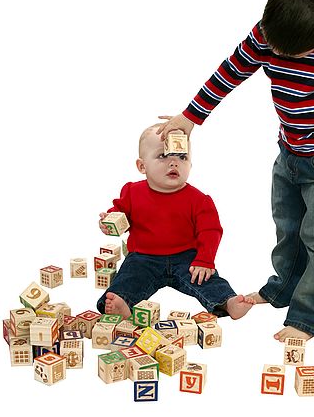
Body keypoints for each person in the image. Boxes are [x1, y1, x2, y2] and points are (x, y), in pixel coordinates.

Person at [157, 0, 314, 342]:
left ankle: (308, 317)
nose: (275, 52)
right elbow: (231, 71)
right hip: (288, 151)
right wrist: (191, 116)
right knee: (288, 228)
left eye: (287, 51)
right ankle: (283, 287)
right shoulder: (269, 32)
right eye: (273, 44)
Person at [96, 124, 255, 320]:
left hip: (187, 258)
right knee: (129, 277)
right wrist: (109, 221)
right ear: (142, 166)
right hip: (143, 258)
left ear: (190, 164)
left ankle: (228, 302)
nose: (174, 163)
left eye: (182, 157)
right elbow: (119, 215)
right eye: (163, 156)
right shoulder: (131, 192)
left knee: (208, 279)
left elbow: (211, 230)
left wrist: (204, 260)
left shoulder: (199, 199)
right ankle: (121, 302)